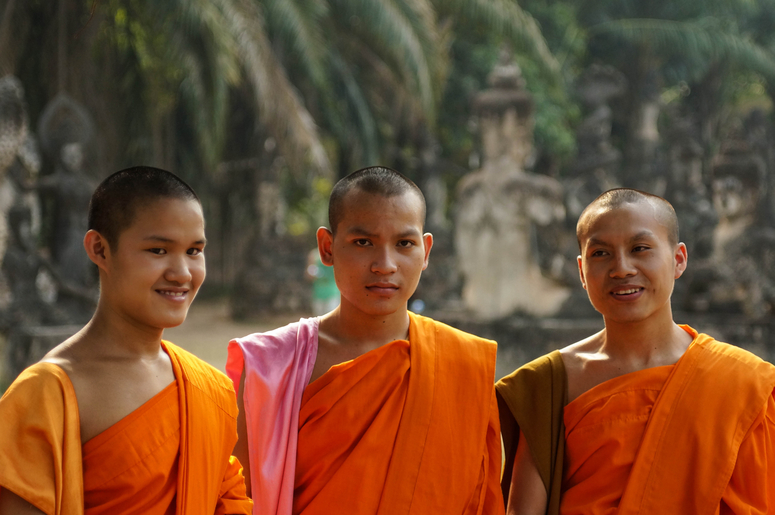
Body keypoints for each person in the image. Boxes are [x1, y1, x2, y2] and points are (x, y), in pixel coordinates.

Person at [227, 166, 503, 515]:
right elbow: (240, 497)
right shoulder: (271, 365)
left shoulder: (464, 364)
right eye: (363, 243)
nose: (385, 264)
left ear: (426, 250)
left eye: (404, 244)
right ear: (327, 248)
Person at [497, 188, 775, 514]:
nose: (622, 269)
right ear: (581, 271)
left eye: (640, 248)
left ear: (678, 259)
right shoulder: (547, 384)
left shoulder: (744, 384)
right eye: (600, 254)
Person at [0, 166, 252, 515]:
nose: (182, 273)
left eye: (194, 251)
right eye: (158, 251)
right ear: (100, 249)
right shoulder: (47, 394)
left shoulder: (208, 389)